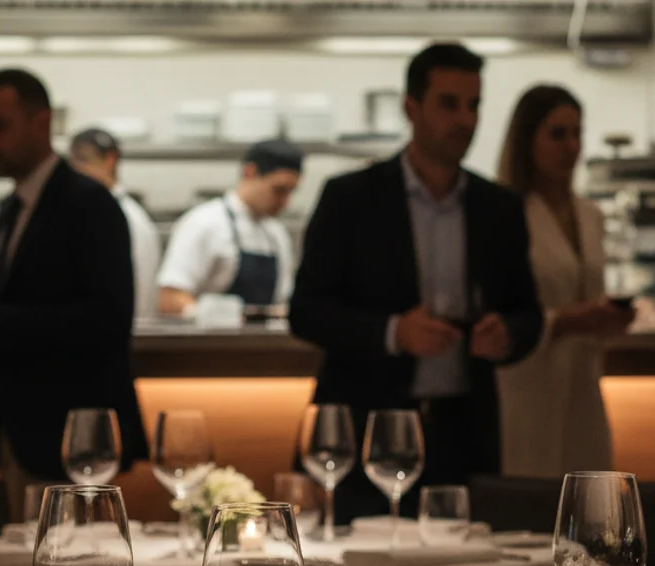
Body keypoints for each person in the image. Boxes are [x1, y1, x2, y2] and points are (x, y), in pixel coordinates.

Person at [290, 43, 544, 523]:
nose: (465, 120)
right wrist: (392, 331)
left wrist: (507, 335)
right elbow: (306, 310)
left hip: (463, 433)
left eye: (474, 105)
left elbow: (527, 312)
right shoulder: (351, 199)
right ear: (412, 108)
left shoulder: (498, 208)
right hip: (367, 430)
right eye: (449, 104)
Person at [0, 68, 146, 520]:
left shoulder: (89, 204)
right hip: (16, 428)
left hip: (66, 438)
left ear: (41, 123)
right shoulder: (15, 207)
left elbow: (108, 319)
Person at [494, 85, 632, 478]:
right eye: (557, 134)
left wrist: (610, 319)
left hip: (584, 386)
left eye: (576, 133)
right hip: (527, 385)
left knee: (588, 508)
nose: (570, 146)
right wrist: (570, 319)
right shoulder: (507, 215)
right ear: (527, 140)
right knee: (529, 507)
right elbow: (501, 313)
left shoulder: (591, 216)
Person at [157, 139, 301, 315]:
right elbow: (170, 298)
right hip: (209, 341)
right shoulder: (205, 223)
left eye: (291, 192)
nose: (285, 202)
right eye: (279, 190)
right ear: (250, 172)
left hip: (262, 342)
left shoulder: (277, 234)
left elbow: (282, 301)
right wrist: (214, 316)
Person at [68, 127, 162, 318]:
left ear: (110, 160)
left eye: (84, 160)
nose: (76, 170)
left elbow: (140, 295)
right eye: (73, 163)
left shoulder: (128, 218)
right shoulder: (82, 212)